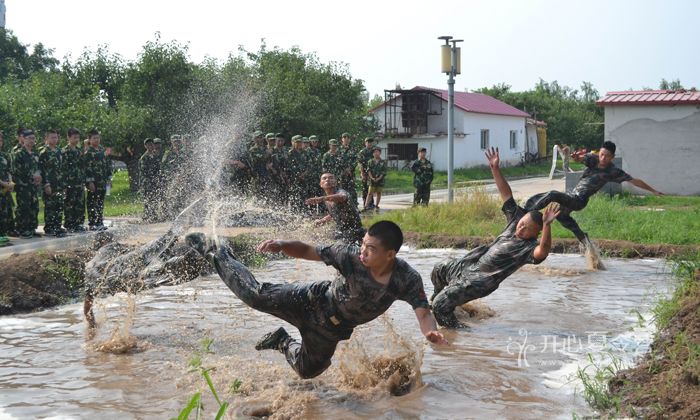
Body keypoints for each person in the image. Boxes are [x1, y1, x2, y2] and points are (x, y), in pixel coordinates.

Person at [195, 220, 448, 379]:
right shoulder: (349, 255)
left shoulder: (406, 279)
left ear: (390, 254)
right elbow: (307, 250)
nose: (363, 252)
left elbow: (424, 313)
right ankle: (216, 251)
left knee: (307, 371)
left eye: (370, 249)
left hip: (331, 330)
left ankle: (281, 341)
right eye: (363, 244)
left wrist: (430, 333)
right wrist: (283, 244)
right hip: (311, 300)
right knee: (255, 296)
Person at [430, 147, 560, 328]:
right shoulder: (515, 221)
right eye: (522, 223)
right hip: (469, 265)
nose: (520, 228)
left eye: (526, 229)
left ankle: (461, 334)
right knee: (439, 269)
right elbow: (506, 195)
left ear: (535, 234)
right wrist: (495, 169)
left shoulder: (528, 248)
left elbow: (543, 251)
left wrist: (547, 225)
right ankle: (443, 298)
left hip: (480, 281)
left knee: (439, 307)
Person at [524, 141, 663, 246]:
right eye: (601, 154)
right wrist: (572, 155)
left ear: (612, 157)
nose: (603, 158)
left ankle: (526, 210)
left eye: (607, 156)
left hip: (579, 200)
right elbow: (578, 159)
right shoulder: (592, 159)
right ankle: (590, 249)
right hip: (572, 195)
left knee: (553, 194)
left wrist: (653, 191)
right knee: (564, 219)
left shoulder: (613, 172)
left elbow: (635, 181)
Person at [83, 228, 208, 328]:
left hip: (123, 284)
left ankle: (190, 259)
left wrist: (93, 327)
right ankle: (174, 235)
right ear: (105, 242)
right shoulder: (107, 248)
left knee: (157, 275)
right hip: (121, 269)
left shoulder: (89, 269)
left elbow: (87, 308)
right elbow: (139, 255)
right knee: (148, 252)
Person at [305, 173, 365, 245]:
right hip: (341, 231)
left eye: (331, 178)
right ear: (321, 184)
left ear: (336, 182)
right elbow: (333, 214)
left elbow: (343, 197)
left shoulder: (341, 192)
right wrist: (322, 220)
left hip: (355, 231)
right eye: (324, 178)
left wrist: (322, 198)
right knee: (315, 240)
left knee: (332, 248)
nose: (327, 179)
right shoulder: (327, 199)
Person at [12, 129, 42, 239]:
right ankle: (22, 229)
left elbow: (38, 168)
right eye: (29, 138)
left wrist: (39, 176)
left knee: (34, 207)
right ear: (23, 139)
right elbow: (17, 171)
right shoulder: (19, 154)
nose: (31, 141)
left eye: (33, 138)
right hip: (23, 185)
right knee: (24, 208)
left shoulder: (35, 154)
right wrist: (31, 176)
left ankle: (31, 228)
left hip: (33, 186)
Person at [39, 129, 67, 237]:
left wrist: (64, 185)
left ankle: (57, 226)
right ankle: (50, 228)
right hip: (50, 184)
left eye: (56, 137)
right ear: (46, 139)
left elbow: (62, 169)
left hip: (59, 184)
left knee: (59, 205)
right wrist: (46, 184)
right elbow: (41, 169)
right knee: (50, 207)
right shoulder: (44, 152)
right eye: (52, 137)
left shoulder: (59, 151)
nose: (54, 139)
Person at [84, 129, 112, 231]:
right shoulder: (88, 153)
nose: (96, 140)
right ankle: (92, 223)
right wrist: (90, 182)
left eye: (98, 138)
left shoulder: (102, 150)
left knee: (100, 202)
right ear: (89, 140)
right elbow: (87, 168)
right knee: (92, 202)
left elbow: (107, 165)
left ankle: (99, 221)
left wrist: (109, 178)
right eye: (94, 138)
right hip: (93, 182)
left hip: (102, 181)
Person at [62, 128, 87, 233]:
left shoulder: (78, 151)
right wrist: (64, 185)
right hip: (69, 183)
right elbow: (62, 169)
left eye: (78, 137)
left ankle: (78, 224)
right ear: (68, 138)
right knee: (69, 205)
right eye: (74, 137)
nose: (76, 140)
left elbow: (82, 167)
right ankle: (69, 224)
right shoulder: (65, 152)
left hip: (79, 183)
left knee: (80, 204)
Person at [139, 138, 161, 223]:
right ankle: (147, 217)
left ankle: (154, 216)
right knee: (148, 200)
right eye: (148, 145)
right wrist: (154, 176)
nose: (150, 146)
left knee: (154, 199)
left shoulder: (155, 156)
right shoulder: (144, 158)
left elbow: (159, 168)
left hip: (155, 181)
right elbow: (145, 172)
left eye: (151, 144)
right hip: (147, 183)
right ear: (145, 146)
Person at [0, 131, 15, 244]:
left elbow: (9, 171)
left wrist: (10, 183)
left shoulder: (5, 155)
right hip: (2, 186)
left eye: (0, 140)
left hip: (5, 190)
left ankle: (3, 236)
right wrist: (3, 183)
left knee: (5, 213)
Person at [338, 133, 358, 206]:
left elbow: (356, 160)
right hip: (341, 174)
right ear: (342, 139)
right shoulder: (338, 149)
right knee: (341, 190)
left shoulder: (353, 149)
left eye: (347, 137)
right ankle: (342, 206)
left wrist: (350, 168)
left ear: (349, 139)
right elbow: (337, 160)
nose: (346, 139)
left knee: (352, 190)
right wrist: (344, 169)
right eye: (344, 137)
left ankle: (354, 206)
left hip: (351, 174)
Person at [364, 146, 386, 212]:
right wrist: (372, 178)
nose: (376, 153)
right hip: (372, 180)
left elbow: (383, 172)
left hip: (380, 180)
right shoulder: (370, 161)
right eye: (374, 152)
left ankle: (376, 205)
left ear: (380, 153)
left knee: (379, 193)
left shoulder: (383, 162)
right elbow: (368, 170)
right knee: (370, 193)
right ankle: (366, 206)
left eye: (377, 152)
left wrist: (379, 178)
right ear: (373, 154)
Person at [357, 137, 375, 209]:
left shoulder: (374, 151)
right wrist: (362, 173)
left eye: (371, 142)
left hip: (372, 173)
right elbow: (360, 163)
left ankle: (371, 203)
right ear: (365, 143)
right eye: (368, 142)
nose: (370, 143)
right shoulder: (362, 152)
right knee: (365, 188)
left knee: (371, 188)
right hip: (365, 173)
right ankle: (365, 203)